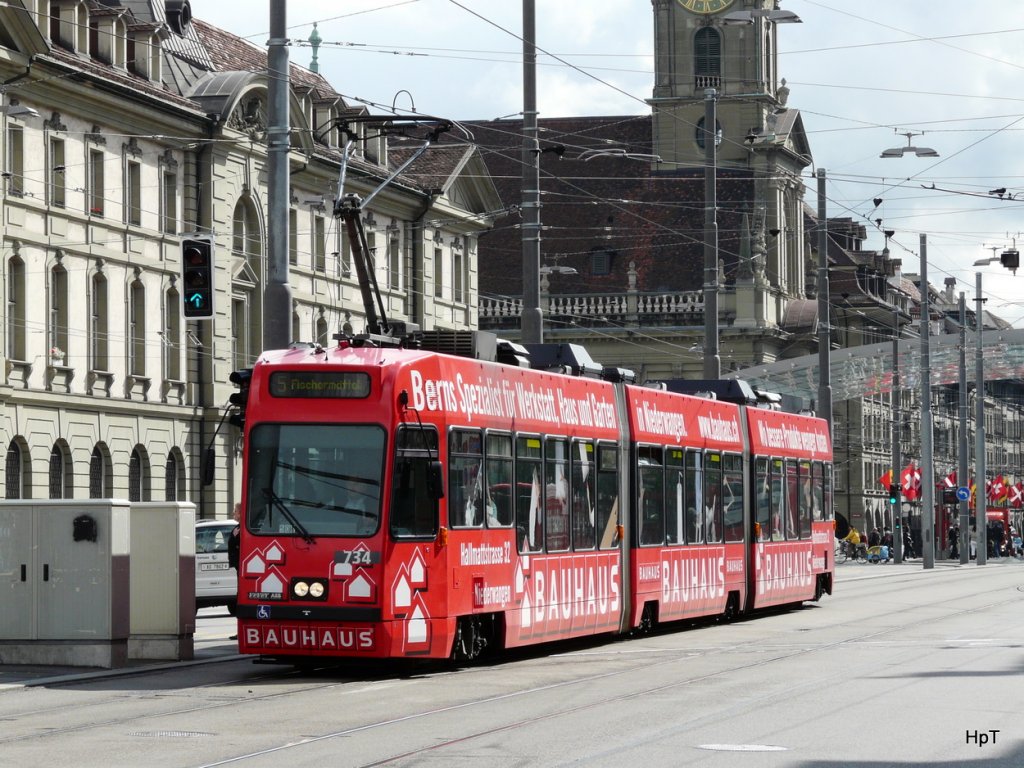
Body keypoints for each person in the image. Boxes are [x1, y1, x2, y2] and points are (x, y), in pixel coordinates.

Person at [227, 502, 241, 641]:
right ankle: (239, 630)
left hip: (242, 568)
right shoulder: (238, 528)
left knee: (240, 598)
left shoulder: (243, 529)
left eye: (235, 511)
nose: (233, 513)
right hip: (239, 567)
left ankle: (241, 630)